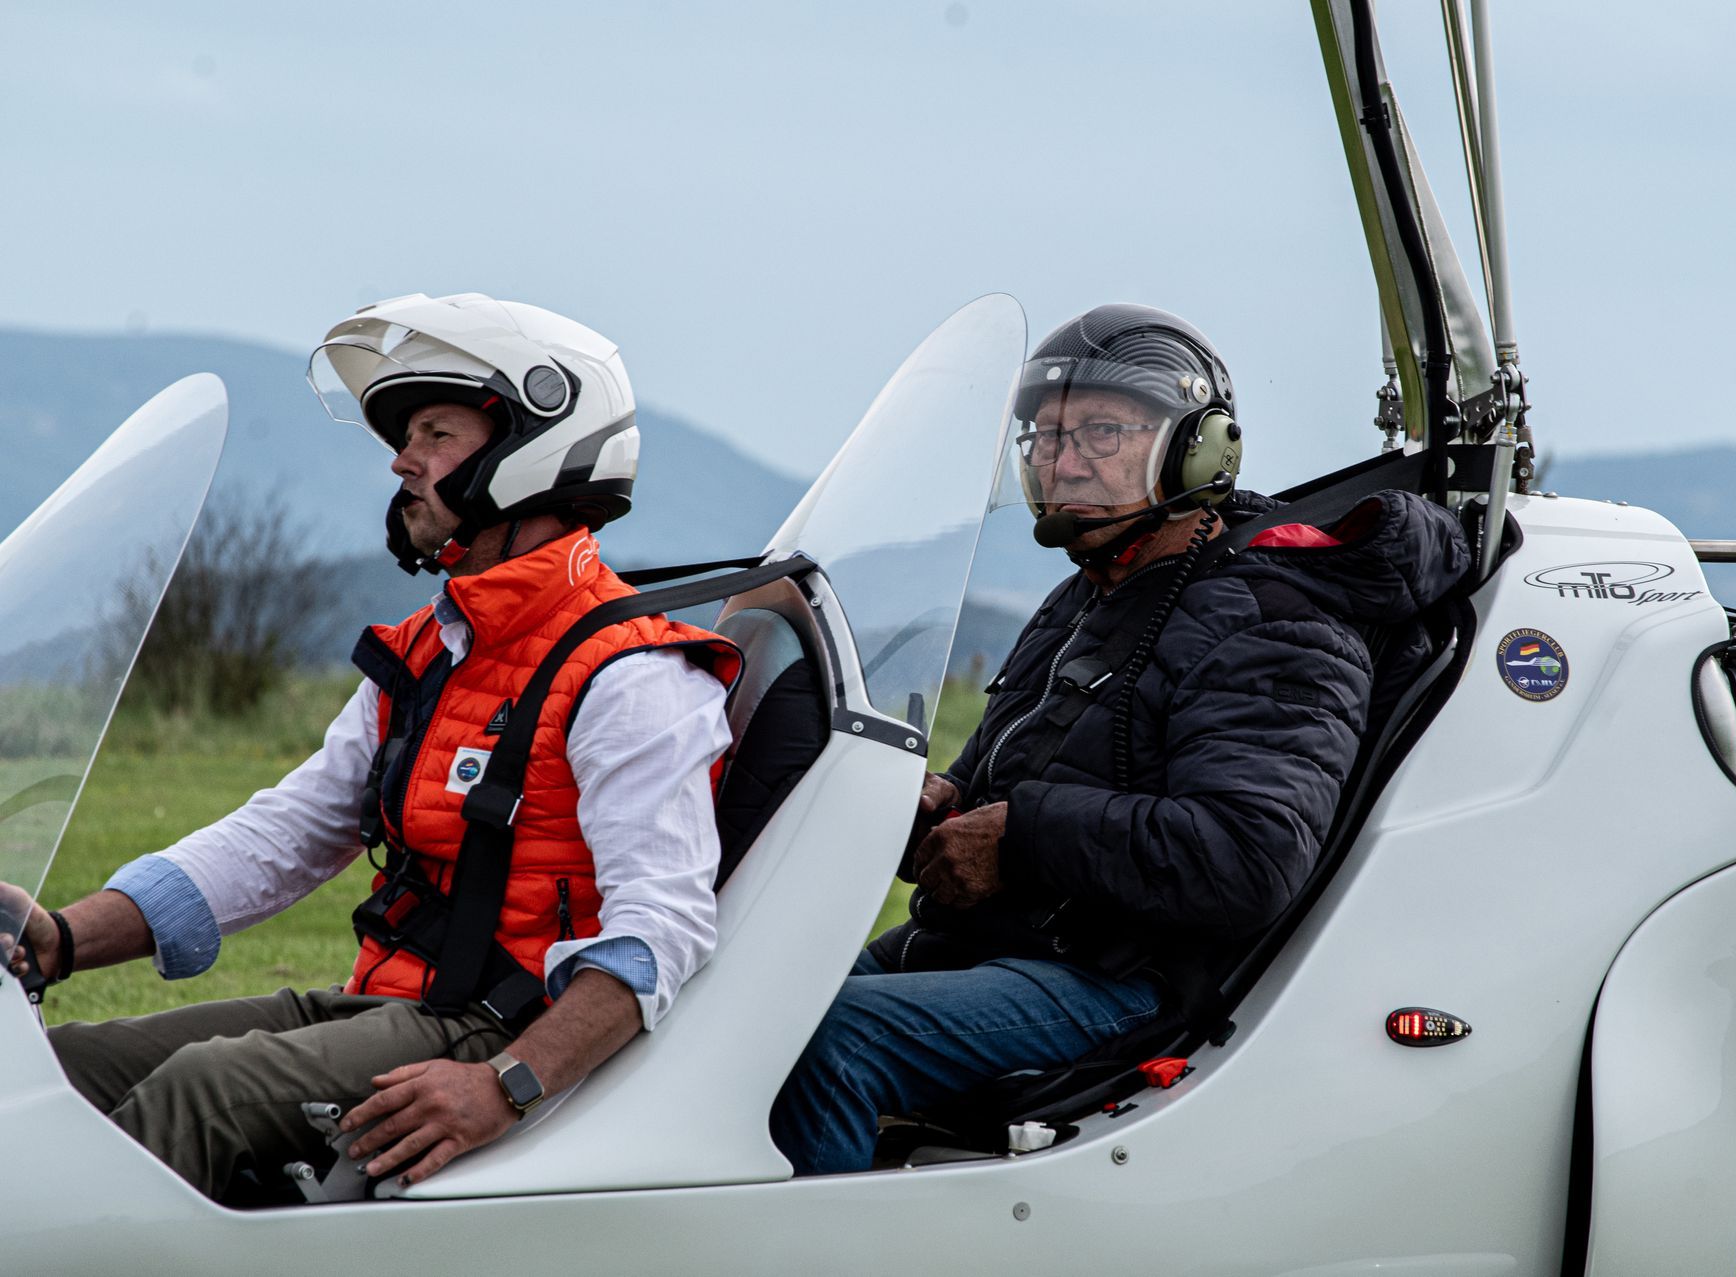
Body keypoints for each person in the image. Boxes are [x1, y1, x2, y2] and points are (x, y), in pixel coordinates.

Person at [2, 292, 738, 1200]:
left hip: (495, 1028)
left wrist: (506, 1084)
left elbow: (658, 933)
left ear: (531, 448)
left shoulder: (631, 676)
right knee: (61, 1072)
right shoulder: (433, 652)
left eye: (436, 432)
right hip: (390, 1001)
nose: (403, 460)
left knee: (198, 1095)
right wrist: (68, 938)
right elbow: (288, 833)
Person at [769, 303, 1471, 1175]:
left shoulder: (1276, 615)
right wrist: (942, 803)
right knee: (751, 1012)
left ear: (1197, 447)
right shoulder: (1087, 595)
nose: (1063, 462)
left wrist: (1020, 837)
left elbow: (1249, 854)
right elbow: (1014, 773)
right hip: (1009, 945)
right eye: (1044, 437)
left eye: (1101, 431)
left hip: (1125, 981)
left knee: (829, 1039)